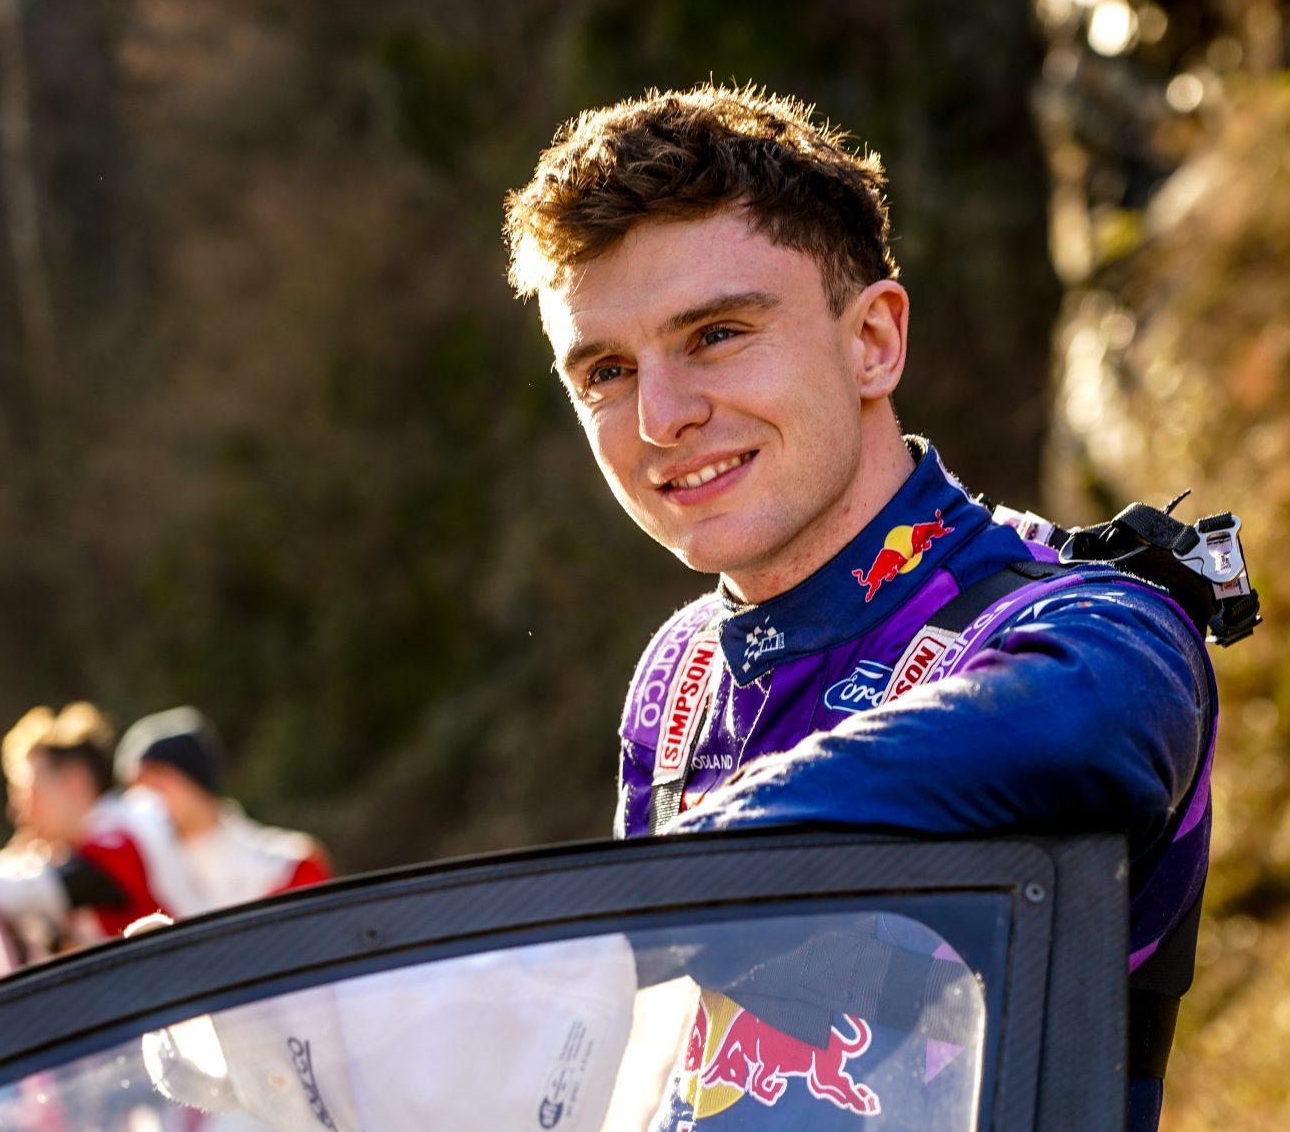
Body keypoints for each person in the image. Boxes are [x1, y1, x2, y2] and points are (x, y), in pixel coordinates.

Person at [503, 84, 1225, 1131]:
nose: (660, 417)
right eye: (607, 371)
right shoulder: (680, 672)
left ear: (874, 342)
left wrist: (680, 871)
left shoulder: (1080, 624)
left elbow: (1095, 717)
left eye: (716, 333)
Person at [0, 702, 201, 952]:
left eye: (28, 792)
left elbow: (30, 890)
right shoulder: (110, 836)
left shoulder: (123, 836)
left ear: (74, 781)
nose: (19, 811)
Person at [115, 706, 333, 913]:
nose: (146, 799)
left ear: (194, 779)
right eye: (136, 788)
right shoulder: (138, 885)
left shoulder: (287, 867)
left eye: (158, 782)